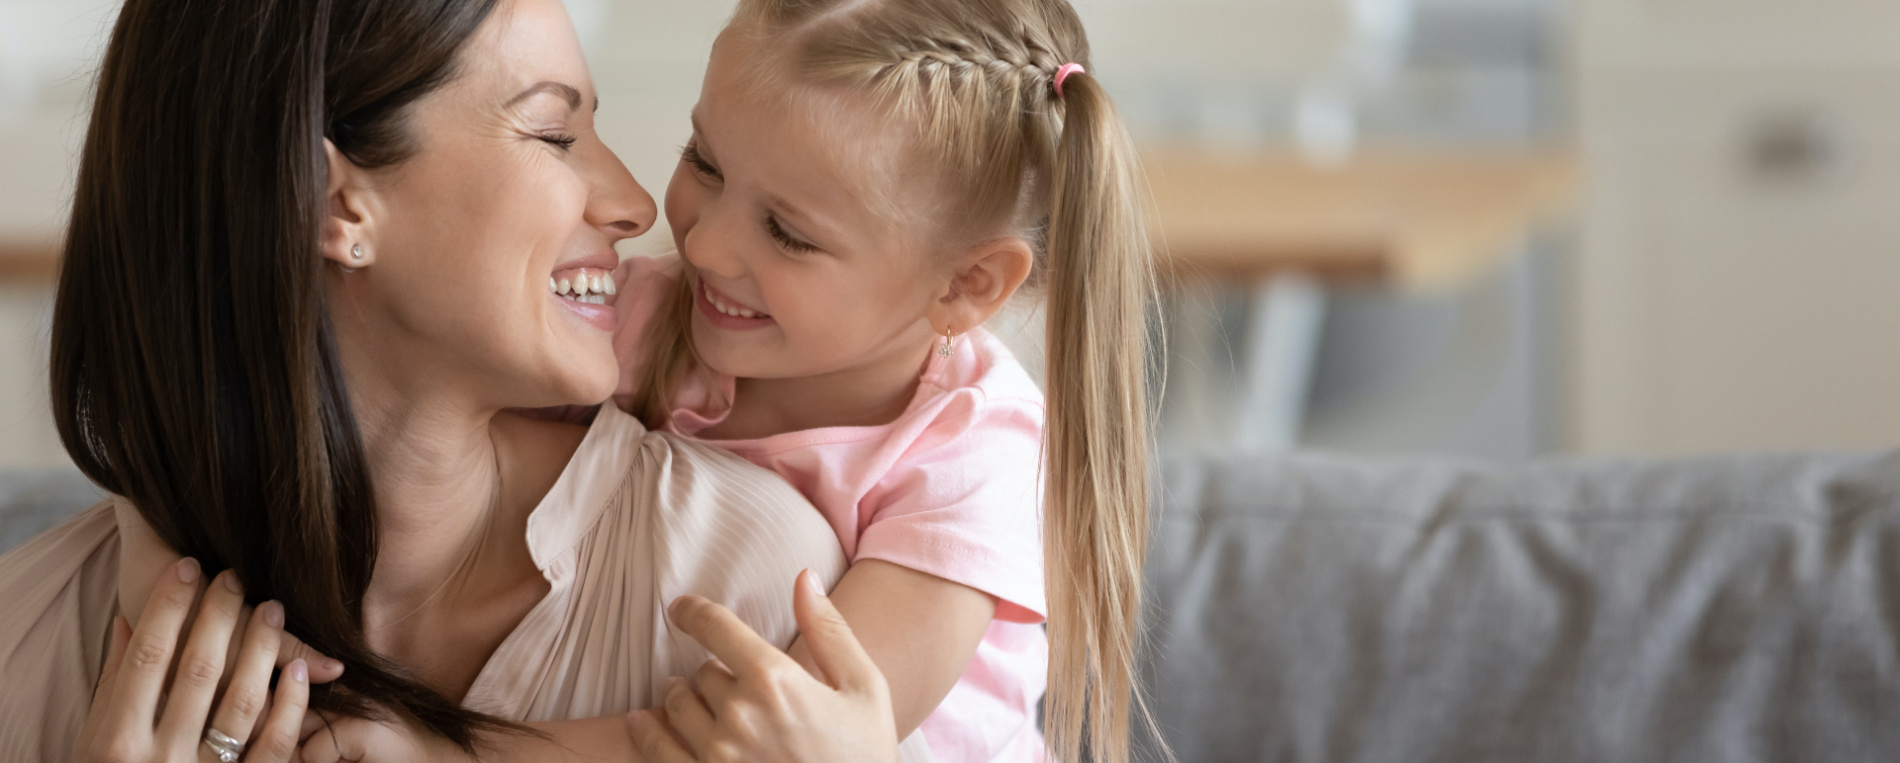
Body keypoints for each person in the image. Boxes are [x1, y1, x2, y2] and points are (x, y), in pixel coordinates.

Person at [0, 0, 909, 760]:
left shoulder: (750, 591)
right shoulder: (28, 646)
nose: (634, 203)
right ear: (334, 202)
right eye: (555, 134)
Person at [617, 0, 1157, 760]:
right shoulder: (638, 317)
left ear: (965, 284)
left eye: (788, 234)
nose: (704, 245)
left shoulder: (975, 455)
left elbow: (771, 735)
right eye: (704, 162)